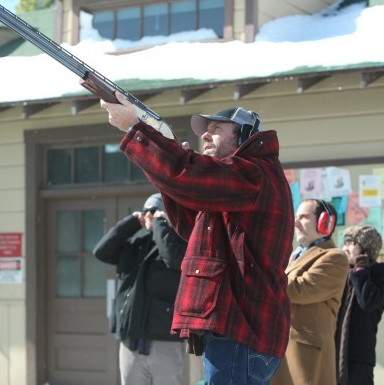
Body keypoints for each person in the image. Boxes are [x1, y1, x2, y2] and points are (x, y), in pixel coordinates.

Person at [100, 95, 294, 385]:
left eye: (216, 128)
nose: (205, 133)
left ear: (243, 136)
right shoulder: (244, 180)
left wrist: (135, 129)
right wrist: (175, 180)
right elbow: (191, 229)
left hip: (241, 331)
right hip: (239, 330)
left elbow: (185, 176)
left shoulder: (252, 172)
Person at [93, 193, 187, 385]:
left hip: (164, 341)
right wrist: (132, 222)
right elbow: (101, 251)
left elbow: (173, 259)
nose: (150, 216)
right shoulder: (135, 247)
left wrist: (161, 224)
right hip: (131, 339)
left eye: (157, 212)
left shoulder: (179, 246)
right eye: (148, 212)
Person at [270, 199, 350, 385]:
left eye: (304, 217)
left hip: (306, 354)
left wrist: (266, 275)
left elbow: (300, 289)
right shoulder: (294, 254)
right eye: (296, 217)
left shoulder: (335, 257)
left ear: (325, 223)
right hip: (282, 350)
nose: (295, 222)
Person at [335, 225, 384, 385]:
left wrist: (360, 269)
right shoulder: (342, 272)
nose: (345, 248)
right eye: (344, 243)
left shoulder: (381, 276)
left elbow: (367, 302)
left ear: (366, 249)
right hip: (334, 349)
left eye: (351, 243)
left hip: (359, 355)